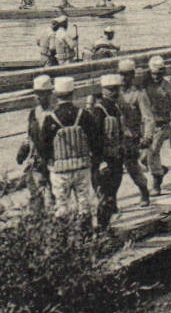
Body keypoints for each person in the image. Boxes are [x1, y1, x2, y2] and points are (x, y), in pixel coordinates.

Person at [39, 75, 99, 218]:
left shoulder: (50, 118)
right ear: (73, 94)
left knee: (62, 206)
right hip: (82, 166)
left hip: (60, 169)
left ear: (56, 95)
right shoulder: (83, 115)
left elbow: (43, 146)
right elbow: (95, 140)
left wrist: (48, 161)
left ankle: (66, 237)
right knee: (84, 204)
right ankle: (87, 236)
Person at [85, 73, 133, 230]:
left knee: (113, 189)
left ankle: (107, 224)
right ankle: (102, 226)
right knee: (105, 193)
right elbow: (94, 138)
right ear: (104, 91)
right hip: (104, 159)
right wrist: (100, 160)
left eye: (116, 90)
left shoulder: (115, 108)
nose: (114, 93)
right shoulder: (100, 111)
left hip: (116, 156)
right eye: (110, 90)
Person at [139, 55, 171, 195]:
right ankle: (160, 170)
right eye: (153, 74)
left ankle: (156, 182)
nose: (156, 77)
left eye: (159, 74)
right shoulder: (144, 84)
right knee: (143, 158)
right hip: (146, 125)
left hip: (162, 124)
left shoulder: (168, 87)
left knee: (153, 152)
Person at [111, 59, 154, 208]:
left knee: (132, 168)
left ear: (132, 75)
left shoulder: (138, 95)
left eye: (126, 75)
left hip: (131, 137)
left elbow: (148, 117)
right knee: (114, 171)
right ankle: (112, 200)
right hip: (115, 138)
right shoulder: (114, 93)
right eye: (121, 75)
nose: (123, 78)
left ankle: (144, 191)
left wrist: (147, 137)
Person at [18, 74, 56, 211]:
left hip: (52, 157)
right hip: (37, 157)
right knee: (32, 184)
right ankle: (38, 214)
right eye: (37, 94)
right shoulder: (34, 113)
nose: (40, 98)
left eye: (43, 94)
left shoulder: (55, 113)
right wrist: (24, 148)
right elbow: (29, 134)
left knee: (52, 192)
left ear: (50, 94)